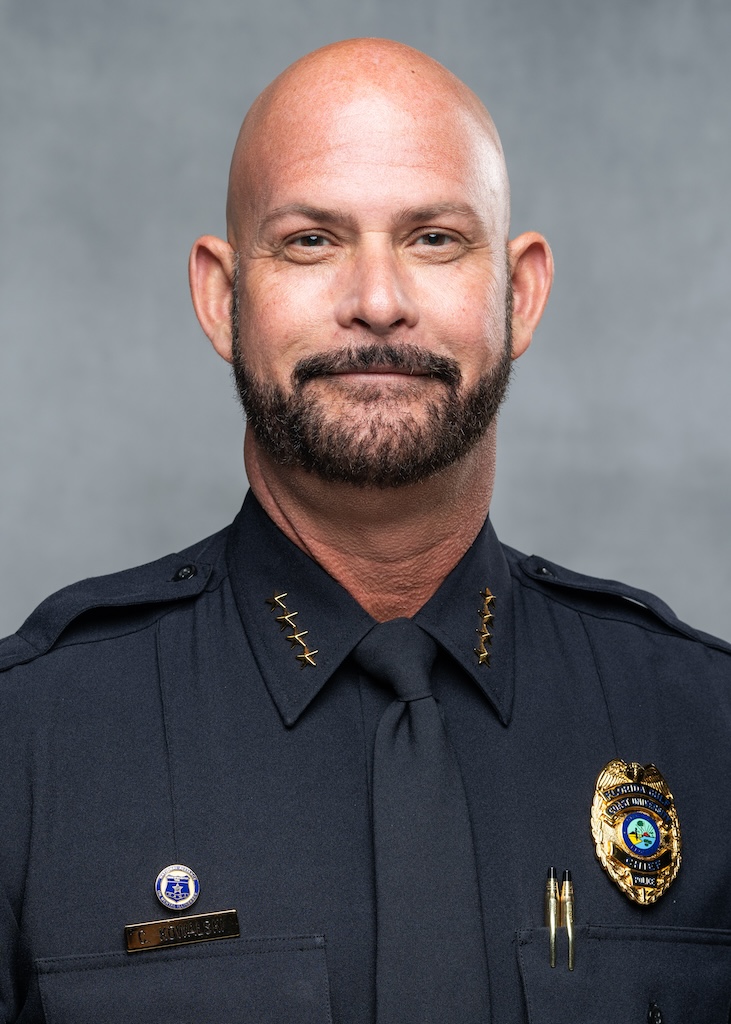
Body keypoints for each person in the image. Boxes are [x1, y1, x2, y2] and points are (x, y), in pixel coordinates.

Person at [1, 38, 730, 1024]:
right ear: (224, 298)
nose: (377, 301)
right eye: (311, 240)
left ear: (517, 294)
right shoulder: (32, 741)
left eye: (432, 238)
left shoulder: (703, 722)